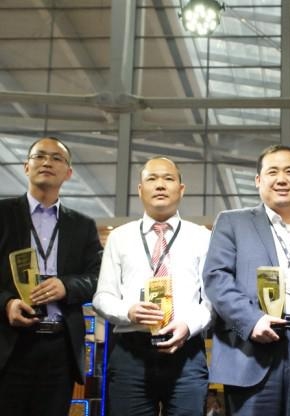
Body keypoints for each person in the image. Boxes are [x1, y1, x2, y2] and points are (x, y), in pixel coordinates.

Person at [203, 144, 290, 416]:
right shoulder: (233, 223)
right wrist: (250, 320)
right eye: (272, 172)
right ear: (258, 180)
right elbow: (216, 278)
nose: (281, 179)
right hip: (252, 349)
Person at [93, 156, 212, 415]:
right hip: (131, 353)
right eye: (152, 179)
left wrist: (188, 325)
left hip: (186, 351)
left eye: (168, 179)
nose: (160, 185)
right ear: (140, 190)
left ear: (181, 189)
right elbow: (102, 296)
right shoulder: (120, 237)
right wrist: (128, 311)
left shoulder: (202, 237)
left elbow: (211, 300)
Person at [0, 137, 102, 416]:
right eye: (40, 156)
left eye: (57, 158)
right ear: (26, 166)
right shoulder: (3, 215)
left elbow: (97, 276)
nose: (47, 162)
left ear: (68, 173)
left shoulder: (82, 225)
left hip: (59, 349)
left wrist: (67, 286)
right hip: (9, 344)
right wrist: (6, 303)